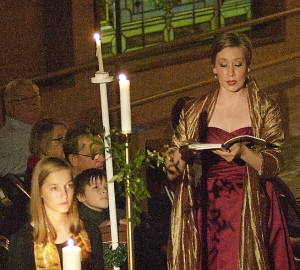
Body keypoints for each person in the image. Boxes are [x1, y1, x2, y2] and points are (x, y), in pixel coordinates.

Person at [164, 32, 295, 269]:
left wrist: (244, 152)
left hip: (254, 199)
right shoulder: (195, 110)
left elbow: (276, 162)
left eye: (238, 64)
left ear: (248, 65)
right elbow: (172, 171)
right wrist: (182, 155)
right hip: (212, 201)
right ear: (214, 67)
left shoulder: (265, 107)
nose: (231, 73)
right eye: (224, 65)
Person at [7, 156, 104, 270]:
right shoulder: (22, 241)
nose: (64, 194)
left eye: (69, 185)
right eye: (54, 188)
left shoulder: (90, 231)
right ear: (40, 191)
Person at [0, 79, 41, 177]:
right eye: (24, 99)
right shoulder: (4, 138)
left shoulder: (45, 128)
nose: (32, 102)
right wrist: (38, 163)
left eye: (34, 97)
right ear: (10, 106)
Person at [24, 117, 68, 192]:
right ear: (42, 143)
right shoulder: (40, 171)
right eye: (59, 139)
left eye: (67, 138)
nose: (66, 143)